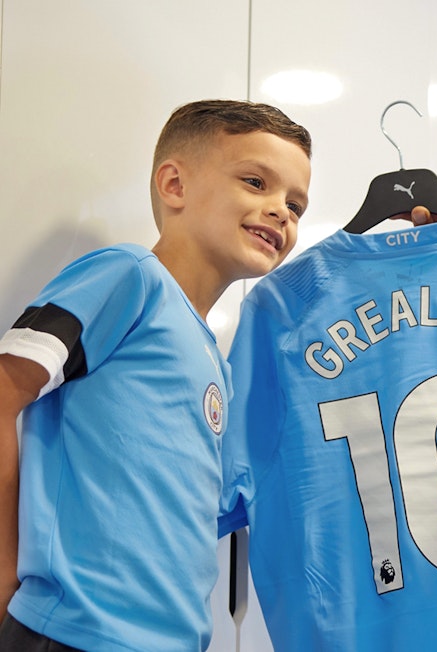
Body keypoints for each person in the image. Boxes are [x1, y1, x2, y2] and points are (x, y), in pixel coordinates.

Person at [0, 99, 311, 651]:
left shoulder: (215, 356)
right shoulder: (128, 276)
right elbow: (4, 391)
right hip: (75, 635)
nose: (281, 212)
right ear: (174, 185)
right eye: (256, 182)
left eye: (295, 204)